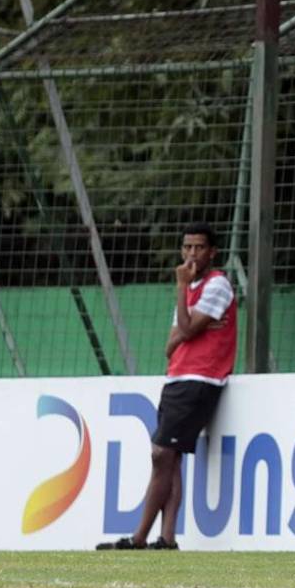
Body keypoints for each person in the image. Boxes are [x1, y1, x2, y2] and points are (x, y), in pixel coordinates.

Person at [97, 223, 237, 550]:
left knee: (161, 453)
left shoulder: (216, 285)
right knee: (170, 458)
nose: (191, 254)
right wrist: (189, 321)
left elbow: (185, 331)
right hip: (178, 376)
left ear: (212, 252)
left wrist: (182, 291)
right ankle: (167, 538)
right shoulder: (192, 289)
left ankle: (138, 538)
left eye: (199, 248)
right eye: (186, 247)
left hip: (199, 378)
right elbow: (170, 343)